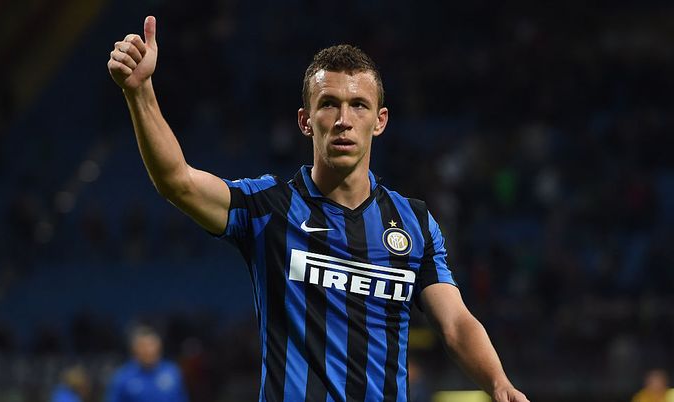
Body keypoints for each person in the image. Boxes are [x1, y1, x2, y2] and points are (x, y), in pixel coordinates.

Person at [107, 16, 529, 402]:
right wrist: (139, 92)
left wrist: (499, 383)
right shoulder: (268, 207)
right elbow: (177, 181)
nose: (344, 119)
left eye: (359, 105)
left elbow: (455, 324)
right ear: (305, 120)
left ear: (380, 120)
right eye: (329, 103)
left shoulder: (413, 223)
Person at [106, 326, 188, 402]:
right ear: (134, 350)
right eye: (143, 346)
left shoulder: (172, 372)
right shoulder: (123, 377)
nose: (149, 350)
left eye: (152, 345)